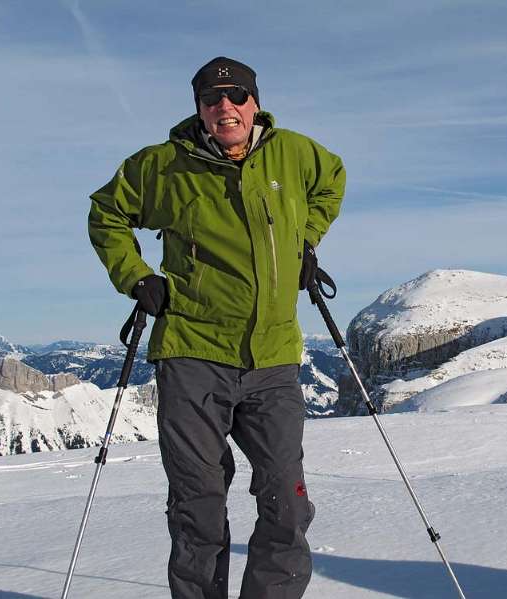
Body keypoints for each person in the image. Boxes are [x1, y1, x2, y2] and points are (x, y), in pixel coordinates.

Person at [88, 56, 345, 599]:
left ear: (255, 102)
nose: (223, 107)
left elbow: (332, 183)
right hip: (192, 354)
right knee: (198, 504)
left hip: (273, 356)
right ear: (199, 109)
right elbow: (106, 213)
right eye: (211, 99)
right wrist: (136, 278)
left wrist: (307, 239)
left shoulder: (296, 154)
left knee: (287, 500)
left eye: (235, 97)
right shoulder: (164, 166)